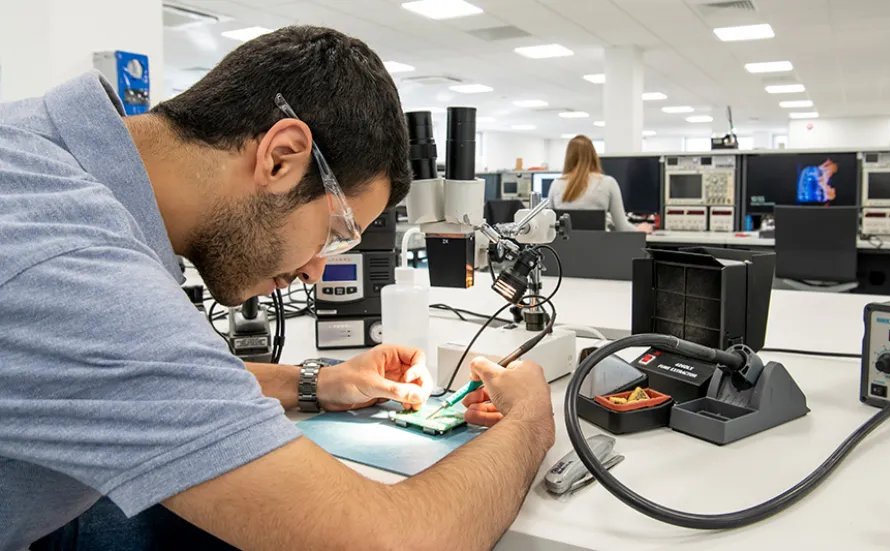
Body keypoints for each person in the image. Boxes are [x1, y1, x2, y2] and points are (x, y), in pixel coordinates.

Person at [0, 26, 555, 551]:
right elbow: (394, 541)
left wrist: (314, 382)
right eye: (336, 234)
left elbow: (129, 376)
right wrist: (530, 417)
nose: (317, 271)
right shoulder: (76, 267)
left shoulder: (44, 158)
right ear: (281, 157)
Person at [547, 135, 653, 233]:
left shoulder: (556, 184)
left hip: (563, 252)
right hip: (598, 251)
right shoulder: (608, 183)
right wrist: (639, 229)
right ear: (593, 155)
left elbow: (549, 225)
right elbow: (622, 227)